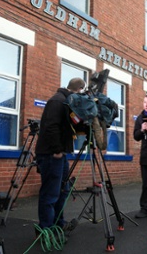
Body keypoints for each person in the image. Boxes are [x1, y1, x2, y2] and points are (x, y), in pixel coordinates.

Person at [35, 77, 85, 233]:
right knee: (50, 193)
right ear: (79, 90)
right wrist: (57, 150)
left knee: (62, 191)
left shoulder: (66, 102)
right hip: (52, 155)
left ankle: (58, 224)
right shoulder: (58, 101)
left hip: (60, 155)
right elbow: (51, 127)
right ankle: (46, 229)